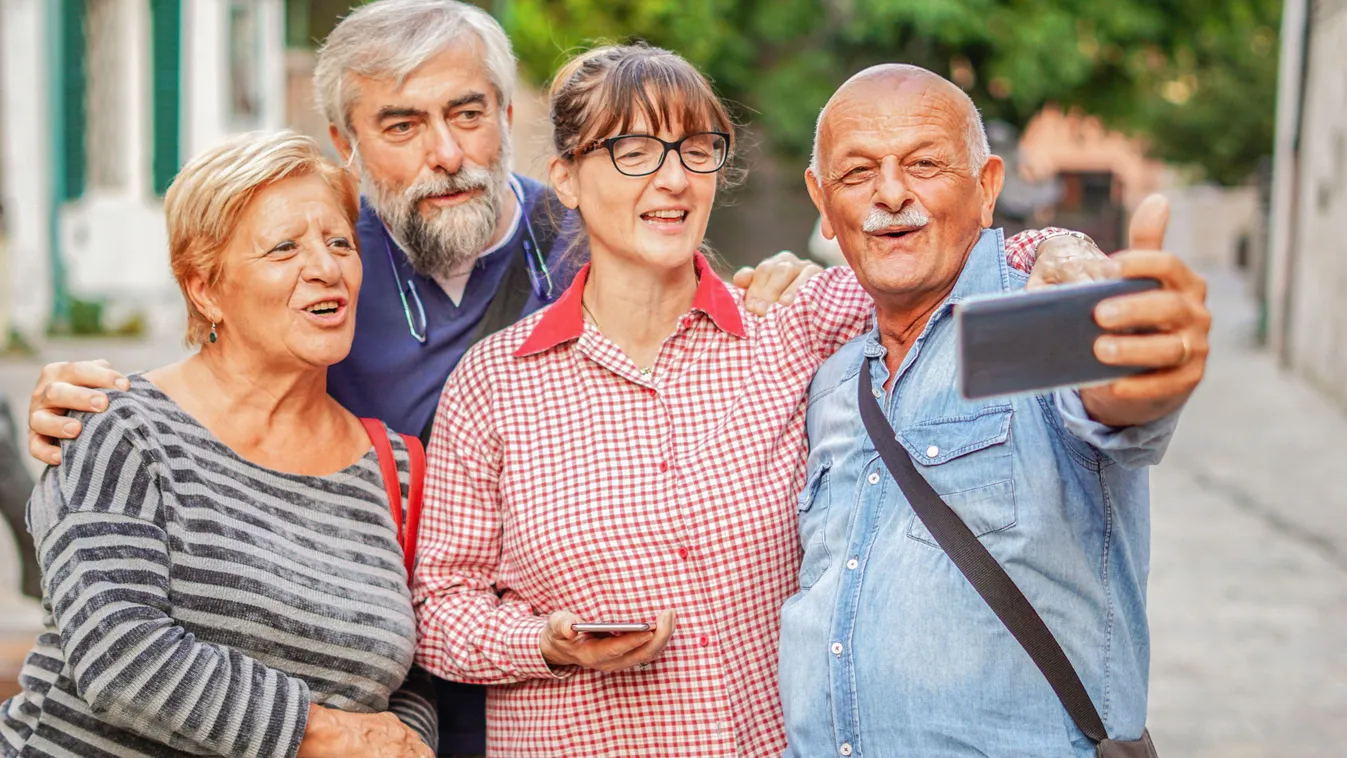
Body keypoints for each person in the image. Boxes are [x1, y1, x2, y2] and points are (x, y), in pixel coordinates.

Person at [22, 2, 825, 754]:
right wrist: (88, 402)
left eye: (467, 114)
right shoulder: (330, 259)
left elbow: (709, 318)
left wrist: (778, 276)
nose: (445, 153)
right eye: (402, 124)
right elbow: (213, 379)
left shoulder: (593, 233)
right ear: (347, 142)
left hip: (517, 712)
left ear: (507, 120)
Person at [408, 44, 1080, 757]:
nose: (672, 180)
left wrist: (1061, 248)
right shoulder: (495, 384)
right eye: (634, 150)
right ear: (566, 177)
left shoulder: (791, 322)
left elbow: (951, 262)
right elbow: (440, 610)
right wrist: (549, 643)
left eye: (696, 150)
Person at [778, 64, 1211, 757]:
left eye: (923, 164)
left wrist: (1147, 366)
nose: (891, 193)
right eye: (857, 173)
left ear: (985, 189)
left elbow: (1117, 399)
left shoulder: (1036, 321)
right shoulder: (828, 379)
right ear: (822, 204)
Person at [0, 132, 437, 757]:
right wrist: (322, 734)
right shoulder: (120, 426)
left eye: (339, 242)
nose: (326, 267)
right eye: (284, 248)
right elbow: (118, 654)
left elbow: (407, 679)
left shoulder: (395, 467)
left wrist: (405, 744)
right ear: (205, 288)